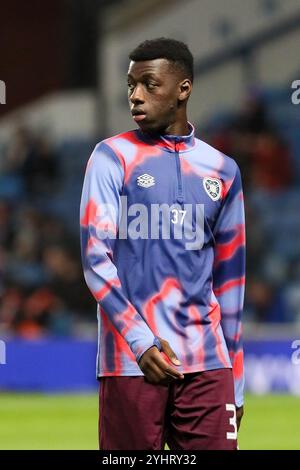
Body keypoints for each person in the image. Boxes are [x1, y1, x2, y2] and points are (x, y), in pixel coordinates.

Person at [80, 38, 245, 450]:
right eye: (130, 84)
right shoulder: (111, 157)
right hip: (131, 364)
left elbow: (231, 283)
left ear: (182, 89)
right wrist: (140, 340)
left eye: (149, 84)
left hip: (208, 366)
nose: (135, 95)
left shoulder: (223, 170)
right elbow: (94, 258)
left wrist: (235, 380)